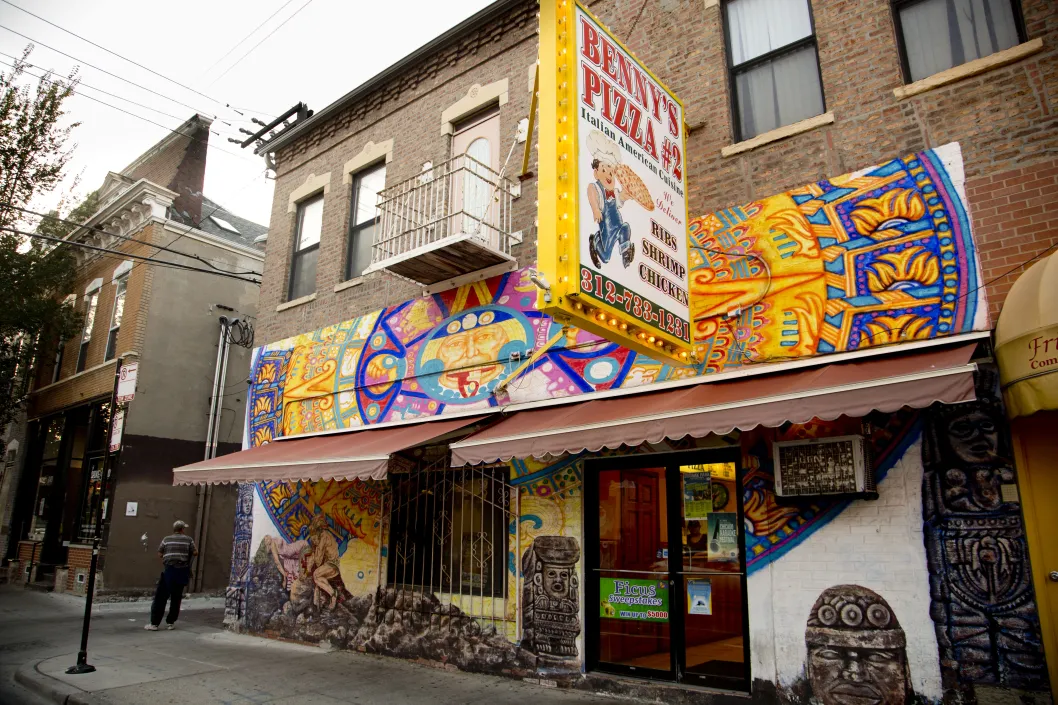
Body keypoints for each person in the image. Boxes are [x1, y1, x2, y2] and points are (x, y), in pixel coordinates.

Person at [145, 520, 198, 631]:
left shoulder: (166, 539)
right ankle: (171, 622)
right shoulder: (188, 539)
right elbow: (195, 552)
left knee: (161, 597)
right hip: (182, 570)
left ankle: (154, 623)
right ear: (182, 529)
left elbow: (160, 553)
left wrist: (167, 557)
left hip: (169, 570)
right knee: (176, 597)